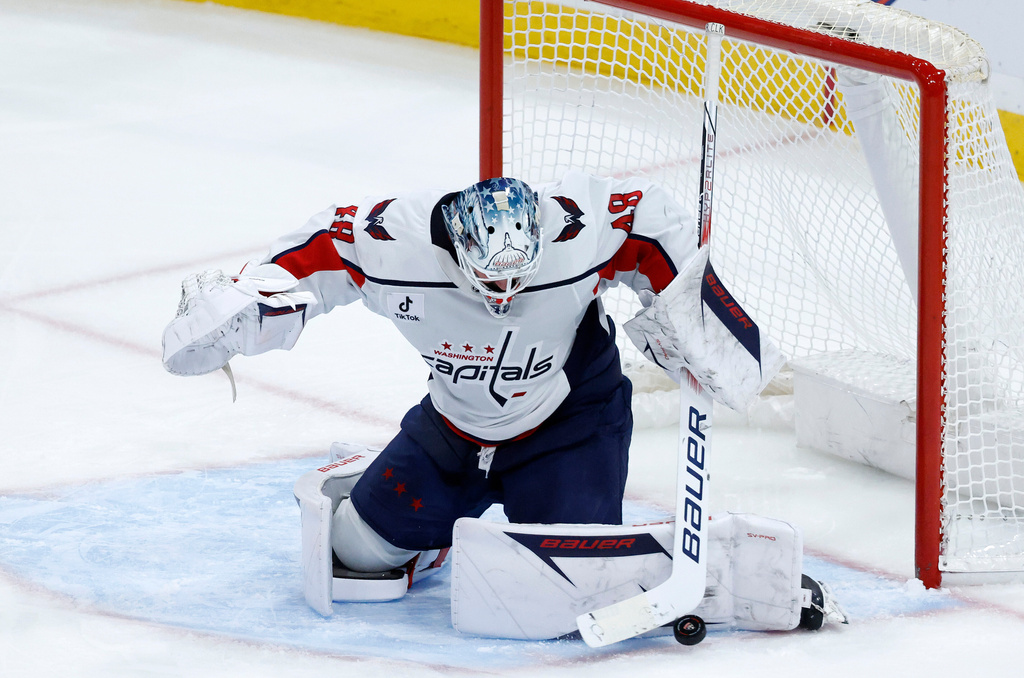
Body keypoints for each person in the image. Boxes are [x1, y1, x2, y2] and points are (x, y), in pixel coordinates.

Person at [161, 171, 782, 585]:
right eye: (489, 279)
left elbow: (649, 220)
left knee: (569, 581)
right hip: (456, 427)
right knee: (354, 551)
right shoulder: (394, 243)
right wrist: (248, 298)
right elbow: (321, 249)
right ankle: (434, 535)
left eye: (517, 277)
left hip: (570, 424)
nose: (503, 294)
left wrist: (695, 313)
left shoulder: (577, 229)